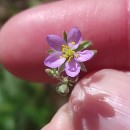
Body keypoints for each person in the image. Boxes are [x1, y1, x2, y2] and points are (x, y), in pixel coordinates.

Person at [0, 0, 130, 129]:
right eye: (66, 51)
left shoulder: (74, 48)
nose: (68, 52)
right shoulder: (60, 57)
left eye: (68, 51)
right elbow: (55, 63)